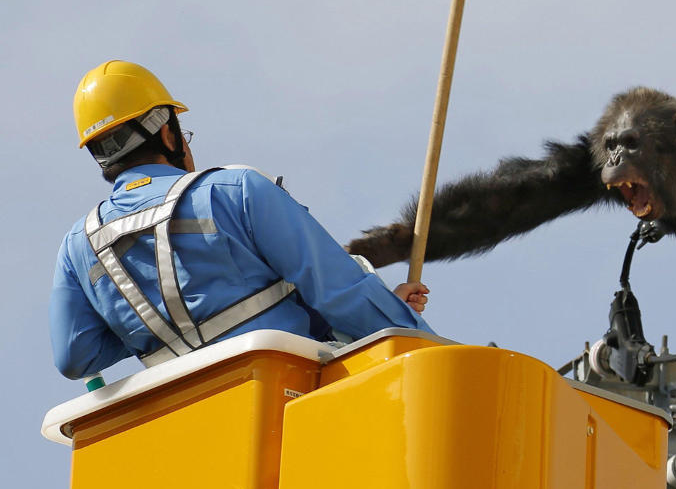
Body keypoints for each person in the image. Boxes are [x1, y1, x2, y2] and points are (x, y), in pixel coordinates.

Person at [50, 60, 433, 381]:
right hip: (284, 395)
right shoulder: (235, 191)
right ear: (167, 131)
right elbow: (340, 292)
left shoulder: (77, 247)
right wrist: (411, 336)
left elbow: (75, 356)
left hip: (185, 424)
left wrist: (147, 325)